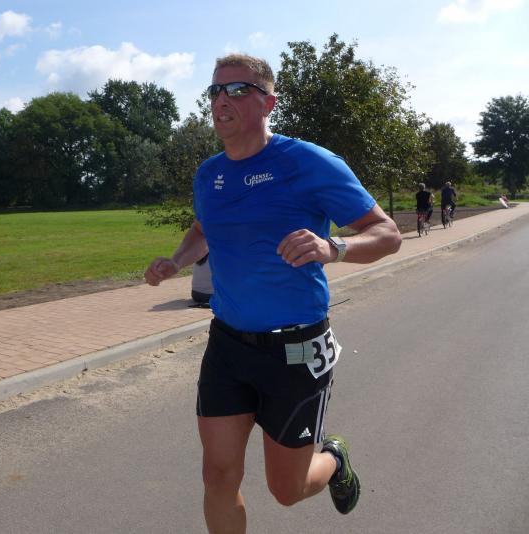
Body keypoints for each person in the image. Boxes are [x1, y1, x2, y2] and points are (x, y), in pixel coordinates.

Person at [144, 54, 401, 531]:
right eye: (215, 91)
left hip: (296, 348)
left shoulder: (308, 162)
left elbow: (387, 234)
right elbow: (203, 227)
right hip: (228, 345)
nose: (222, 100)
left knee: (287, 489)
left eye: (237, 89)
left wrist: (333, 247)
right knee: (218, 475)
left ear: (269, 103)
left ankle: (334, 459)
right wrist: (176, 261)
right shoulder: (209, 174)